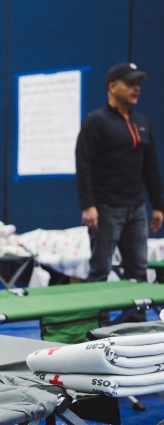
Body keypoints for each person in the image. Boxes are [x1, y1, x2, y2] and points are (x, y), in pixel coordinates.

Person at [76, 62, 163, 294]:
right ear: (112, 87)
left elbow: (151, 166)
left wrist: (158, 206)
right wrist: (88, 206)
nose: (137, 88)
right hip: (105, 209)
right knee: (100, 270)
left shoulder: (142, 122)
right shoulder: (96, 121)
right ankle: (97, 324)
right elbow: (82, 163)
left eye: (138, 84)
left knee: (138, 271)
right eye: (130, 83)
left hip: (136, 209)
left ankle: (137, 321)